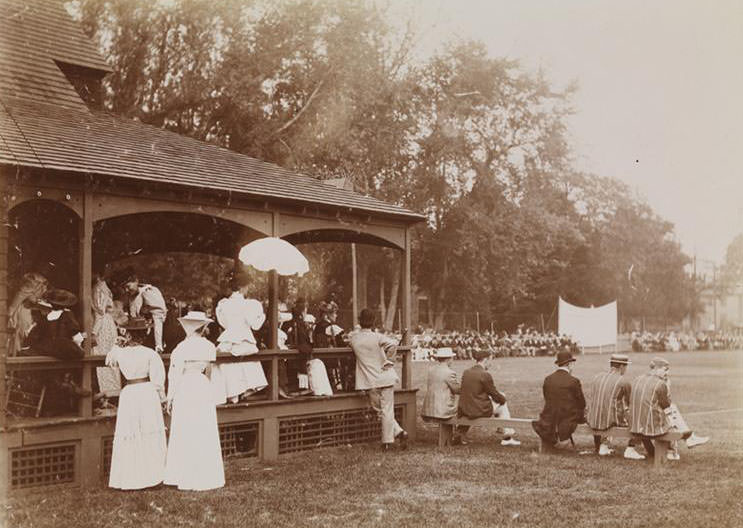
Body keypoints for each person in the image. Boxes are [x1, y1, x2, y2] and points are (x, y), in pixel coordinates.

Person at [164, 311, 225, 491]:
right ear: (203, 327)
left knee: (186, 427)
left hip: (186, 385)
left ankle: (184, 473)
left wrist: (170, 397)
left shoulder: (181, 348)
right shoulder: (208, 346)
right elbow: (209, 370)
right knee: (203, 426)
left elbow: (174, 374)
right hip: (201, 385)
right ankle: (206, 472)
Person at [106, 318, 167, 490]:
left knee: (131, 431)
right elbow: (158, 381)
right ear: (145, 334)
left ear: (129, 334)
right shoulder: (150, 354)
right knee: (148, 430)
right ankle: (152, 475)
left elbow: (109, 361)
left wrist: (117, 345)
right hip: (146, 392)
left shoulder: (120, 353)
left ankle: (131, 476)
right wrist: (162, 399)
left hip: (130, 393)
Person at [349, 308, 408, 451]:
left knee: (380, 410)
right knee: (385, 410)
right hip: (385, 375)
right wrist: (389, 361)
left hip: (369, 380)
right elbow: (393, 344)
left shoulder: (353, 338)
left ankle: (389, 440)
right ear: (373, 321)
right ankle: (396, 434)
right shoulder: (377, 337)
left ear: (359, 321)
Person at [629, 357, 709, 460]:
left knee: (670, 413)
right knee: (671, 413)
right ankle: (680, 445)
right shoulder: (660, 383)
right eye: (665, 369)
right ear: (657, 369)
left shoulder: (637, 379)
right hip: (649, 426)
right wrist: (667, 387)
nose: (667, 373)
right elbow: (666, 406)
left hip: (634, 423)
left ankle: (688, 439)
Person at [213, 284, 269, 404]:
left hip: (229, 338)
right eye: (247, 287)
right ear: (242, 288)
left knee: (229, 366)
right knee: (246, 363)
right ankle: (241, 391)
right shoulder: (249, 304)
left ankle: (233, 394)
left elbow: (224, 324)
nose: (248, 289)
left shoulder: (224, 304)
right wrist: (263, 316)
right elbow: (255, 325)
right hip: (244, 338)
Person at [456, 349, 520, 446]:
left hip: (465, 408)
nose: (491, 364)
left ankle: (503, 431)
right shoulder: (485, 374)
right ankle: (507, 436)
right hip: (477, 410)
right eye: (490, 361)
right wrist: (503, 399)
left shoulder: (466, 372)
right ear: (485, 360)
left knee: (500, 400)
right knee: (503, 405)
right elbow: (494, 394)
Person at [586, 353, 644, 459]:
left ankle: (603, 446)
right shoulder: (623, 381)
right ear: (622, 366)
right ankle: (631, 448)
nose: (626, 369)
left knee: (607, 410)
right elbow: (629, 402)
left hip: (592, 418)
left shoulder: (597, 377)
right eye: (626, 366)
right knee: (640, 418)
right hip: (609, 420)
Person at [532, 350, 586, 452]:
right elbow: (582, 403)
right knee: (580, 411)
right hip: (566, 417)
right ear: (569, 364)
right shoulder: (574, 381)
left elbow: (546, 397)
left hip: (549, 415)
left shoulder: (548, 379)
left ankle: (556, 440)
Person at [7, 272, 48, 356]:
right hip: (23, 315)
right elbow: (12, 308)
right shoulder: (23, 296)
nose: (44, 289)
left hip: (29, 314)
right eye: (42, 287)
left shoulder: (37, 301)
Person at [126, 275, 167, 353]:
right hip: (138, 334)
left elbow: (158, 316)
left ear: (136, 281)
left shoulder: (149, 292)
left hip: (152, 332)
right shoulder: (133, 295)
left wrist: (158, 344)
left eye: (128, 286)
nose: (126, 290)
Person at [421, 347, 460, 422]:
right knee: (465, 407)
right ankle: (460, 432)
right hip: (443, 410)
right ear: (448, 359)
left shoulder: (431, 370)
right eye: (452, 358)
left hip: (429, 409)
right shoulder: (449, 372)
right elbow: (457, 390)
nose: (452, 360)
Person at [92, 273, 118, 356]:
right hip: (108, 321)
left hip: (102, 324)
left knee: (102, 352)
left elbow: (100, 312)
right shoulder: (104, 287)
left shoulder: (98, 288)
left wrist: (94, 332)